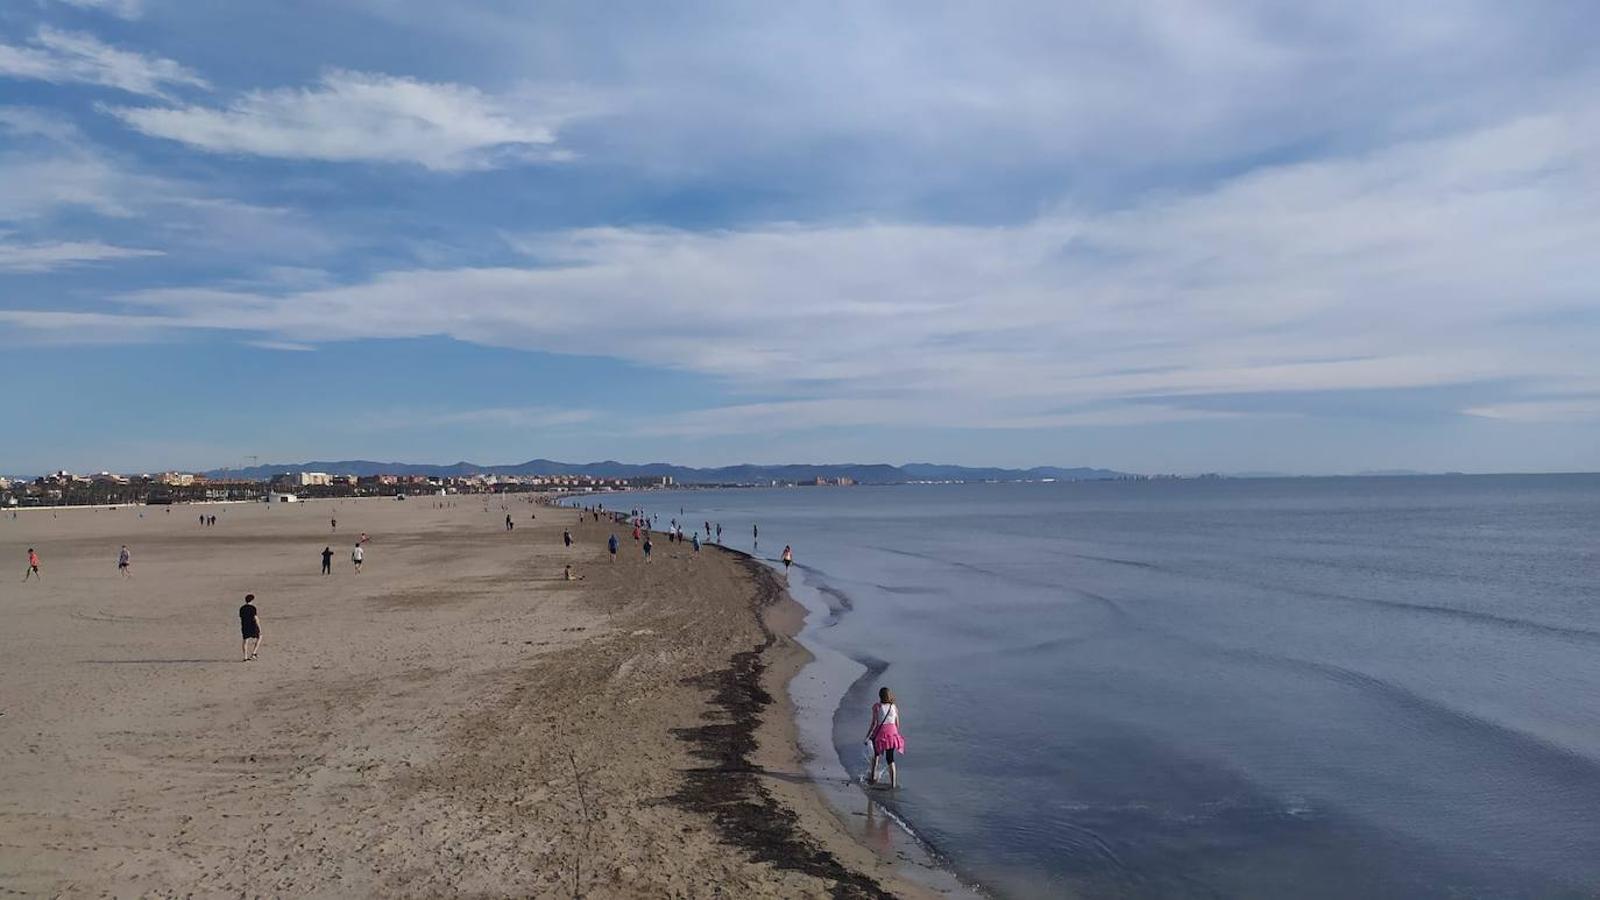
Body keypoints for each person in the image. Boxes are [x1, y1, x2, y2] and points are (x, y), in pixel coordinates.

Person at [865, 687, 905, 788]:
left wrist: (867, 735)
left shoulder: (877, 707)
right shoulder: (894, 707)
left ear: (880, 696)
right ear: (889, 696)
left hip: (880, 734)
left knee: (876, 755)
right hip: (892, 735)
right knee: (890, 759)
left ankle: (873, 778)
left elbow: (874, 723)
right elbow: (897, 724)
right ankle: (893, 784)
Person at [239, 593, 262, 661]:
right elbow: (255, 618)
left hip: (244, 625)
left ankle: (245, 657)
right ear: (252, 600)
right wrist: (259, 627)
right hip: (252, 625)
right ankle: (253, 653)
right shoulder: (253, 608)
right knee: (259, 637)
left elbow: (241, 617)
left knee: (245, 641)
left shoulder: (242, 608)